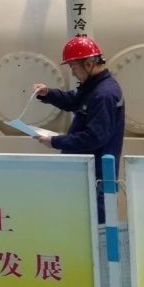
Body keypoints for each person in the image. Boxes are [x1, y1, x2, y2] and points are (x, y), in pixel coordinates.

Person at [32, 34, 125, 224]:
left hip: (97, 176)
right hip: (85, 172)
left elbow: (93, 137)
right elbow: (73, 101)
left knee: (97, 227)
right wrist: (48, 93)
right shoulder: (93, 87)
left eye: (74, 67)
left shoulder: (104, 94)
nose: (73, 73)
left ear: (89, 64)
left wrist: (55, 141)